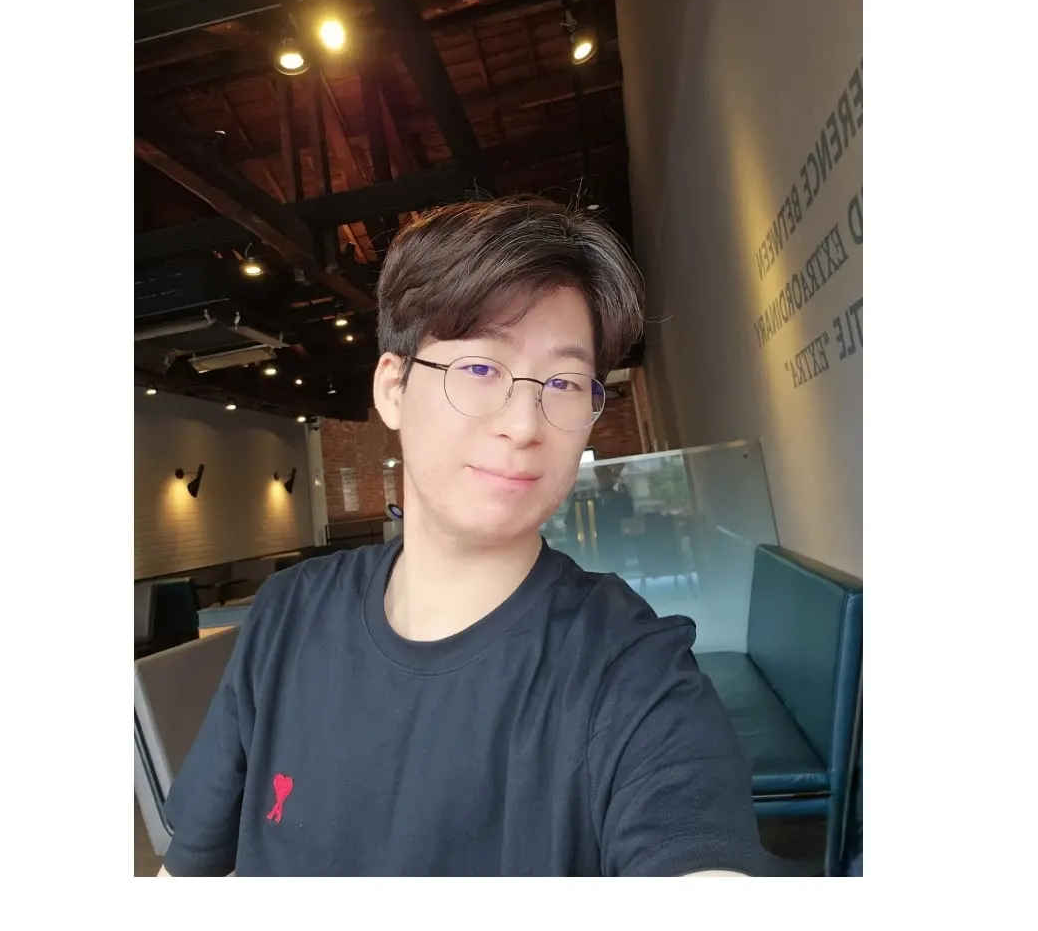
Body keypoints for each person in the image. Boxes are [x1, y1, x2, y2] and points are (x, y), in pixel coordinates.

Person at [159, 196, 769, 877]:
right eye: (480, 369)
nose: (525, 424)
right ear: (393, 388)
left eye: (565, 382)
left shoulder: (630, 669)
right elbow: (185, 875)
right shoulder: (288, 615)